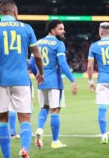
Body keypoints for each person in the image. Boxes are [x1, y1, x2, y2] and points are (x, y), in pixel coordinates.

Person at [0, 0, 44, 158]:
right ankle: (24, 149)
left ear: (1, 12)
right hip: (22, 80)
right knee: (24, 118)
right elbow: (37, 55)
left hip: (1, 80)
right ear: (15, 12)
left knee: (2, 119)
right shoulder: (27, 28)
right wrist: (41, 72)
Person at [30, 19, 78, 149]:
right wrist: (73, 80)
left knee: (44, 108)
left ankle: (39, 129)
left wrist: (38, 75)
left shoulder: (38, 43)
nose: (63, 31)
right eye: (60, 29)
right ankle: (55, 141)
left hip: (42, 82)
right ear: (52, 30)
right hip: (55, 82)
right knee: (55, 110)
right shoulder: (58, 44)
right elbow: (62, 63)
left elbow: (31, 64)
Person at [0, 56, 20, 138]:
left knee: (1, 109)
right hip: (16, 79)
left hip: (0, 80)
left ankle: (8, 131)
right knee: (13, 107)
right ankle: (12, 131)